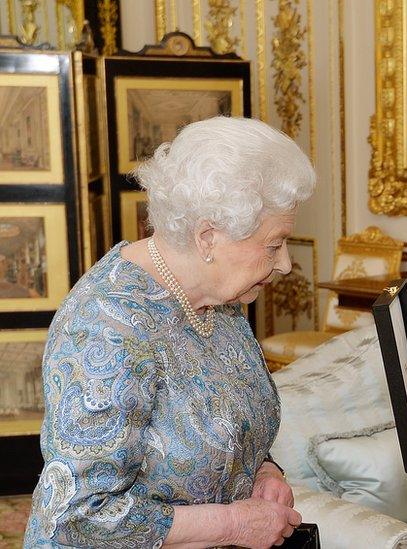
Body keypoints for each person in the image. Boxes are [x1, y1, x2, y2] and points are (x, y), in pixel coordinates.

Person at [23, 116, 316, 548]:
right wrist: (235, 524)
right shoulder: (107, 330)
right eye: (273, 245)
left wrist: (263, 471)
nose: (286, 263)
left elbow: (226, 420)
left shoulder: (219, 299)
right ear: (207, 238)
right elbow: (79, 515)